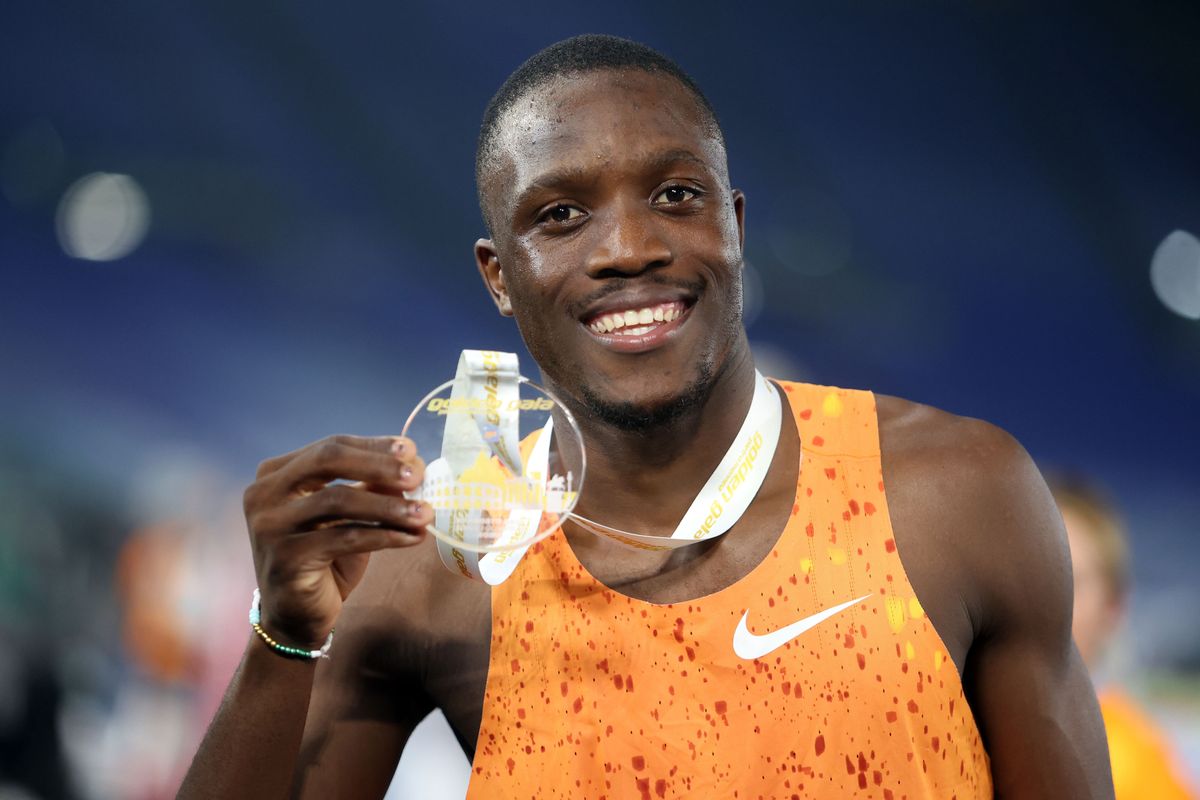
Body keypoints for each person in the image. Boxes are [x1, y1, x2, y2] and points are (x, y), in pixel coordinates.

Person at [179, 34, 1114, 798]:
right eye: (558, 215)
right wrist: (285, 637)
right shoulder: (437, 573)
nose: (628, 247)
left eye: (675, 194)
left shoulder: (958, 498)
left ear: (736, 226)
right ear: (498, 276)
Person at [1051, 477, 1195, 799]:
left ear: (1113, 608)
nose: (1046, 603)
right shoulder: (943, 726)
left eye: (1071, 581)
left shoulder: (1138, 769)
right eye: (1030, 577)